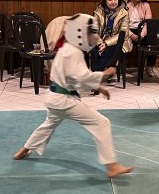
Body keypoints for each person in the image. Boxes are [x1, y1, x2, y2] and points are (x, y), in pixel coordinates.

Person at [13, 13, 134, 179]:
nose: (92, 37)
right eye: (90, 33)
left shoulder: (66, 49)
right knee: (101, 122)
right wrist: (105, 73)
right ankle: (112, 166)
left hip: (54, 97)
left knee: (48, 125)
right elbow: (82, 77)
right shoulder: (73, 52)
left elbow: (73, 77)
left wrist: (98, 87)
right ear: (79, 32)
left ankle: (24, 149)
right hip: (64, 101)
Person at [91, 0, 131, 72]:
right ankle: (101, 72)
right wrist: (100, 43)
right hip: (100, 41)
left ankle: (99, 72)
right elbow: (94, 31)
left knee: (108, 51)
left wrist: (106, 43)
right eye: (110, 0)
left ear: (118, 0)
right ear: (105, 1)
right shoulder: (98, 12)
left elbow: (123, 33)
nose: (113, 2)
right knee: (94, 50)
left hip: (117, 42)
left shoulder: (124, 13)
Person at [125, 0, 155, 77]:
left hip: (141, 30)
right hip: (128, 30)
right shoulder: (125, 4)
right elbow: (122, 23)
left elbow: (147, 22)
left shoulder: (145, 5)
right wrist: (131, 35)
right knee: (120, 37)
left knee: (152, 38)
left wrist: (141, 35)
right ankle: (118, 66)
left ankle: (149, 67)